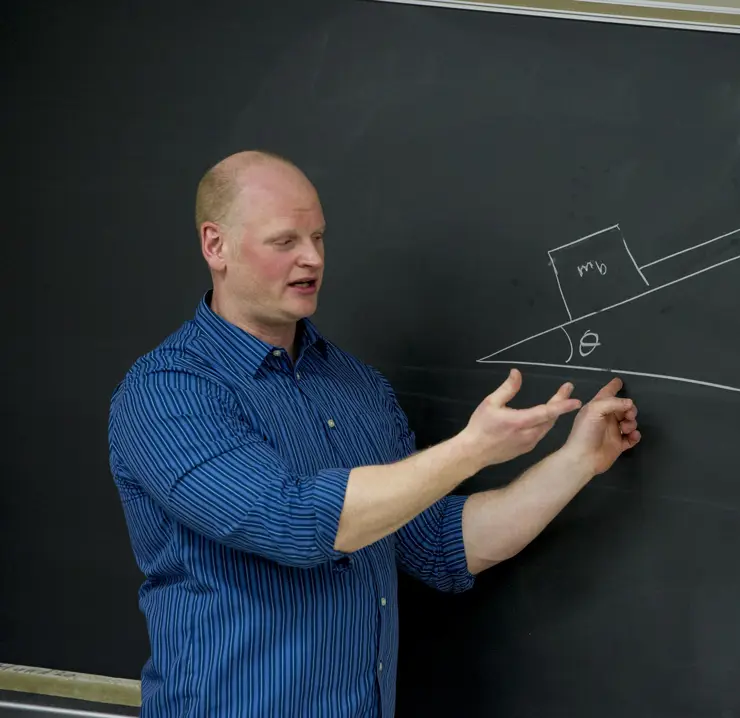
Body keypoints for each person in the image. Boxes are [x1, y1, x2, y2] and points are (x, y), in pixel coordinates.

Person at [107, 149, 641, 717]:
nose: (312, 258)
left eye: (318, 237)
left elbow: (441, 545)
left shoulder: (357, 386)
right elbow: (293, 522)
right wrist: (472, 449)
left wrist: (577, 461)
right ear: (216, 246)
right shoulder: (168, 392)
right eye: (285, 241)